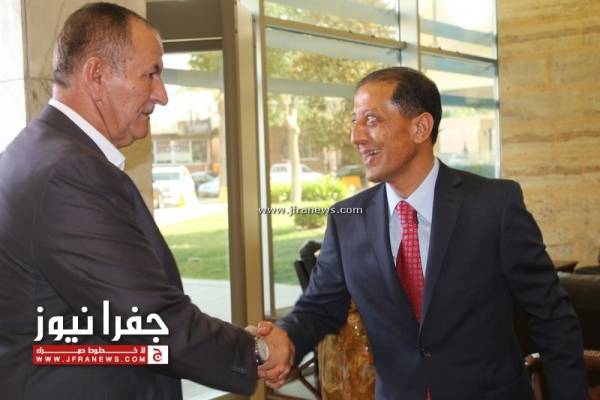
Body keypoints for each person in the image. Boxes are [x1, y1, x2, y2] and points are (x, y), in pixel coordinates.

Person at [0, 3, 289, 399]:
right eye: (151, 74)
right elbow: (148, 319)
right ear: (97, 76)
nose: (162, 95)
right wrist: (255, 351)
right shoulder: (71, 173)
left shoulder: (31, 152)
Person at [257, 67, 587, 399]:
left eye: (371, 120)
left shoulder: (494, 205)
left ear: (420, 127)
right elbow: (318, 308)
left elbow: (551, 317)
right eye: (354, 121)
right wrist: (284, 339)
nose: (356, 136)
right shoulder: (346, 219)